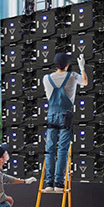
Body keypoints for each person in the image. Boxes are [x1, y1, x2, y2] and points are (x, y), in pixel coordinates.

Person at [43, 52, 88, 192]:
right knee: (62, 150)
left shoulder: (46, 78)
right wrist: (82, 68)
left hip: (51, 115)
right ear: (67, 64)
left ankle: (48, 183)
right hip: (65, 116)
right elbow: (85, 82)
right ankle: (59, 183)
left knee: (49, 150)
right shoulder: (73, 76)